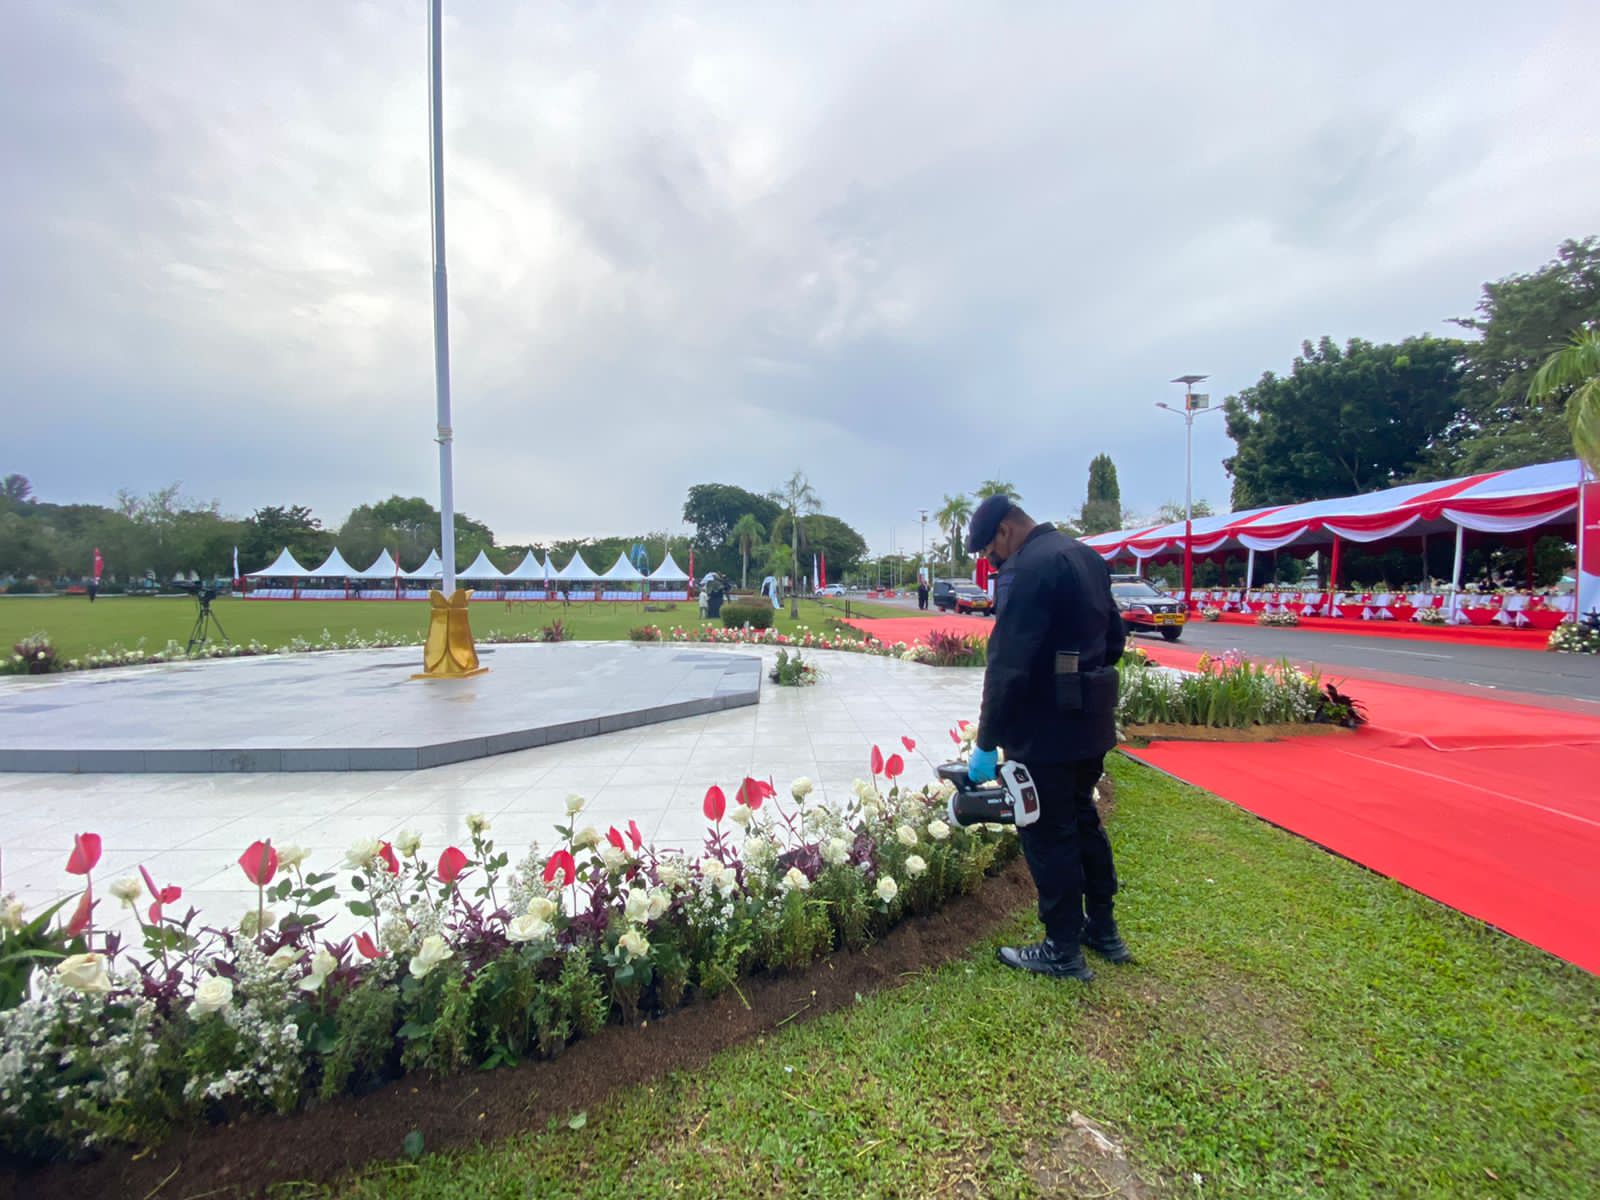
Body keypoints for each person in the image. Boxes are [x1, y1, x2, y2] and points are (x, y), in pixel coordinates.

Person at [965, 494, 1130, 981]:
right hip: (1092, 722)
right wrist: (1075, 673)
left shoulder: (1028, 567)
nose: (995, 564)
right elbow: (1115, 640)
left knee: (1045, 833)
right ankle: (1102, 931)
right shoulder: (1087, 557)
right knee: (1082, 821)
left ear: (1004, 532)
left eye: (991, 555)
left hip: (1044, 732)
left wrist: (985, 742)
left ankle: (1061, 947)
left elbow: (1008, 665)